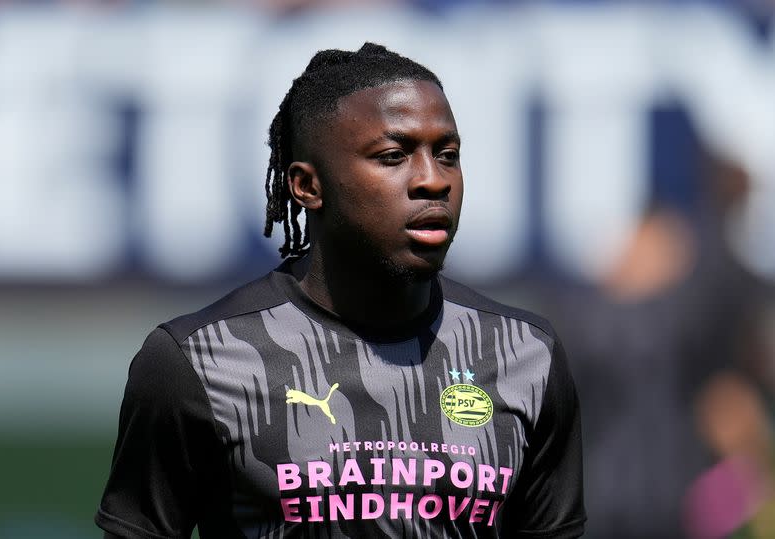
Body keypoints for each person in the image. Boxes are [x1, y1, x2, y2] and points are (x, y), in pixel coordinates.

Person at [95, 42, 585, 538]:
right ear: (307, 186)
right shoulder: (199, 361)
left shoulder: (526, 357)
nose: (433, 180)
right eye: (393, 156)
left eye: (447, 155)